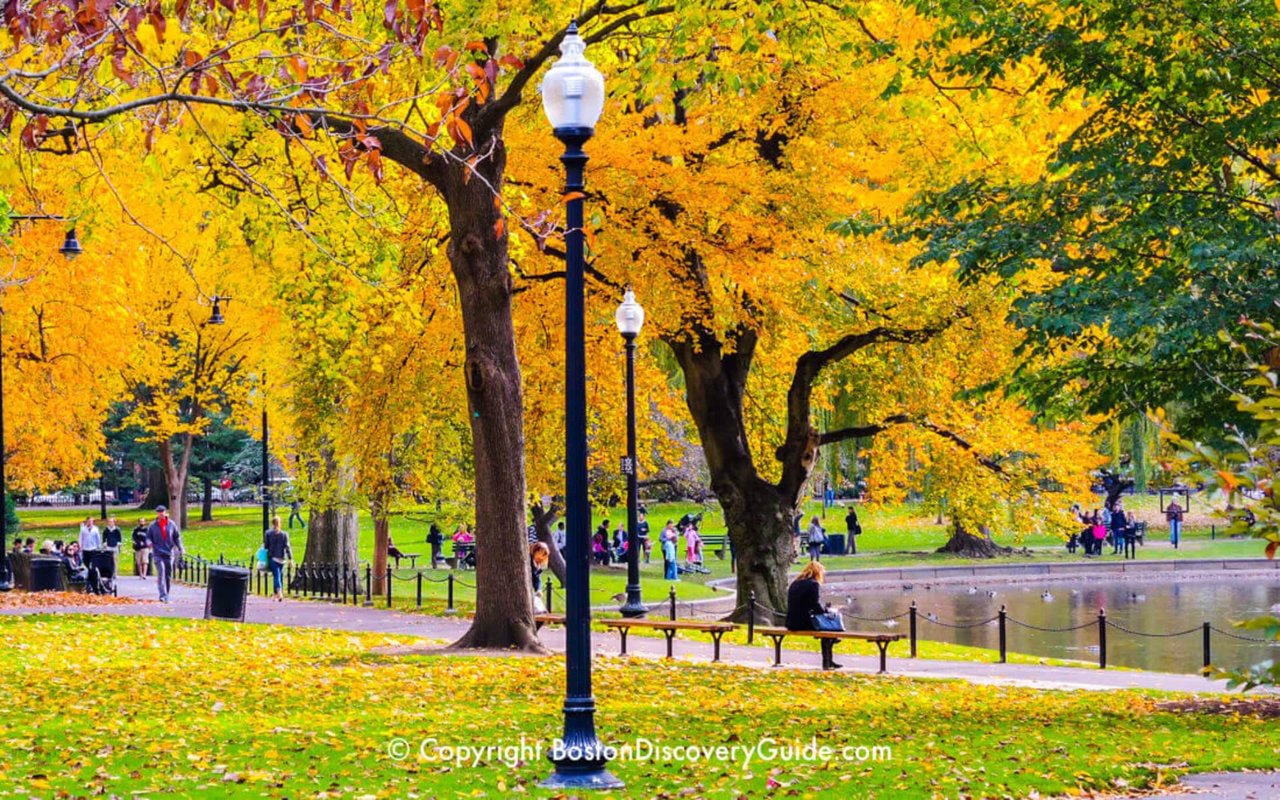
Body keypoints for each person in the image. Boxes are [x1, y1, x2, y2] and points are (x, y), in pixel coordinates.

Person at [786, 561, 841, 669]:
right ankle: (827, 662)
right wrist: (827, 611)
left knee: (827, 632)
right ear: (818, 573)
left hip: (791, 621)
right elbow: (814, 605)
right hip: (802, 622)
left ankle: (829, 660)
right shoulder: (813, 584)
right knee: (827, 630)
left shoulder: (796, 583)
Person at [146, 506, 182, 603]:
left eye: (162, 512)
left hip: (169, 553)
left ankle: (167, 594)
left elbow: (177, 537)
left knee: (168, 575)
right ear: (157, 513)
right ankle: (162, 595)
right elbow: (148, 537)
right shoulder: (153, 526)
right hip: (158, 553)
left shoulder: (171, 524)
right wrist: (149, 543)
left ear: (165, 512)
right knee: (161, 572)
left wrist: (180, 547)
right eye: (159, 512)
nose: (161, 513)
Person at [263, 515, 292, 600]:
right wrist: (290, 558)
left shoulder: (268, 533)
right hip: (281, 558)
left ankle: (279, 592)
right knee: (278, 575)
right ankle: (276, 594)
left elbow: (266, 546)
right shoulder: (284, 534)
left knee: (277, 575)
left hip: (273, 557)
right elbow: (287, 547)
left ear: (272, 523)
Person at [530, 542, 550, 612]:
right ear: (536, 551)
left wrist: (539, 589)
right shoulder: (529, 560)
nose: (542, 557)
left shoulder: (538, 564)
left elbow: (538, 578)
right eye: (542, 553)